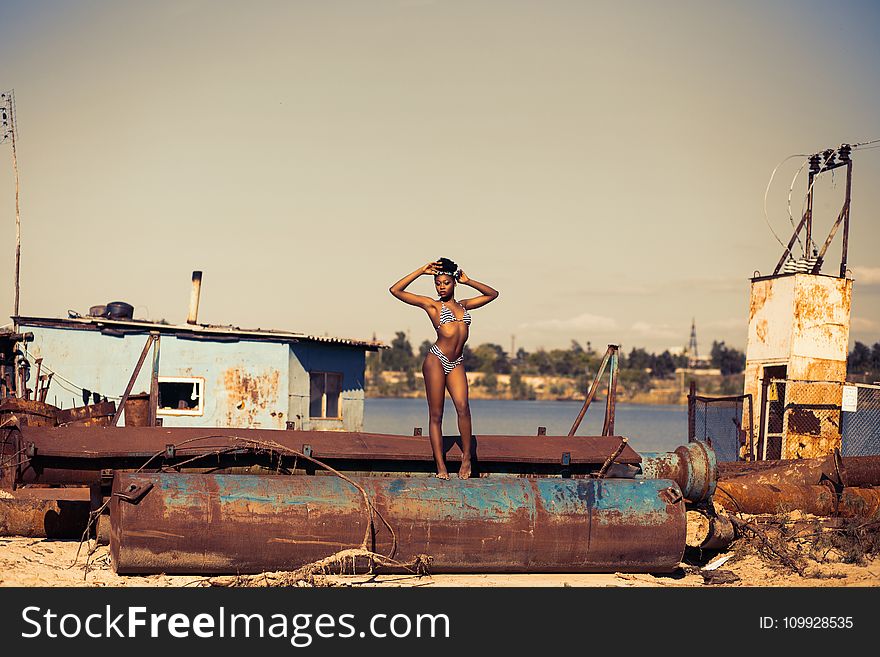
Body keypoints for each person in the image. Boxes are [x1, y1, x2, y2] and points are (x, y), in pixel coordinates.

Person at [389, 258, 499, 479]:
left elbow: (492, 294)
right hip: (436, 361)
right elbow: (395, 290)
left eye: (446, 282)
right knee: (436, 415)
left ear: (453, 283)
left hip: (456, 362)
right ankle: (441, 467)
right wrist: (421, 270)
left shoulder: (464, 305)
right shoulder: (432, 305)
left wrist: (468, 280)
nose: (441, 286)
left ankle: (466, 459)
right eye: (438, 283)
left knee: (463, 408)